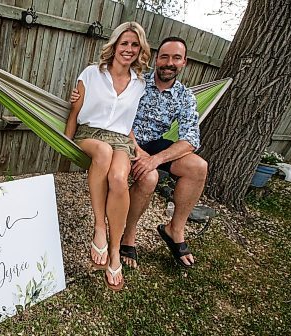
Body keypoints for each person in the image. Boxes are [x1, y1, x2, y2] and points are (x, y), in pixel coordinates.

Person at [71, 36, 207, 269]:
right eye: (164, 57)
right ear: (156, 58)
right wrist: (77, 97)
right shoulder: (139, 81)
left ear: (184, 62)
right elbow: (113, 109)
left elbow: (191, 139)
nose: (169, 63)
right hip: (126, 139)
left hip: (154, 146)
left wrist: (155, 159)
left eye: (176, 58)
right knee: (149, 177)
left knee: (198, 167)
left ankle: (175, 229)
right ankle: (128, 235)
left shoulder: (185, 97)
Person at [64, 22, 151, 290]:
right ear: (114, 45)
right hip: (90, 135)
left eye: (134, 45)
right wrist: (64, 143)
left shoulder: (140, 84)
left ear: (140, 50)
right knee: (102, 151)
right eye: (124, 43)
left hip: (121, 141)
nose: (129, 49)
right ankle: (99, 227)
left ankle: (115, 252)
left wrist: (136, 146)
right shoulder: (91, 73)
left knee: (118, 178)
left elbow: (128, 122)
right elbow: (75, 113)